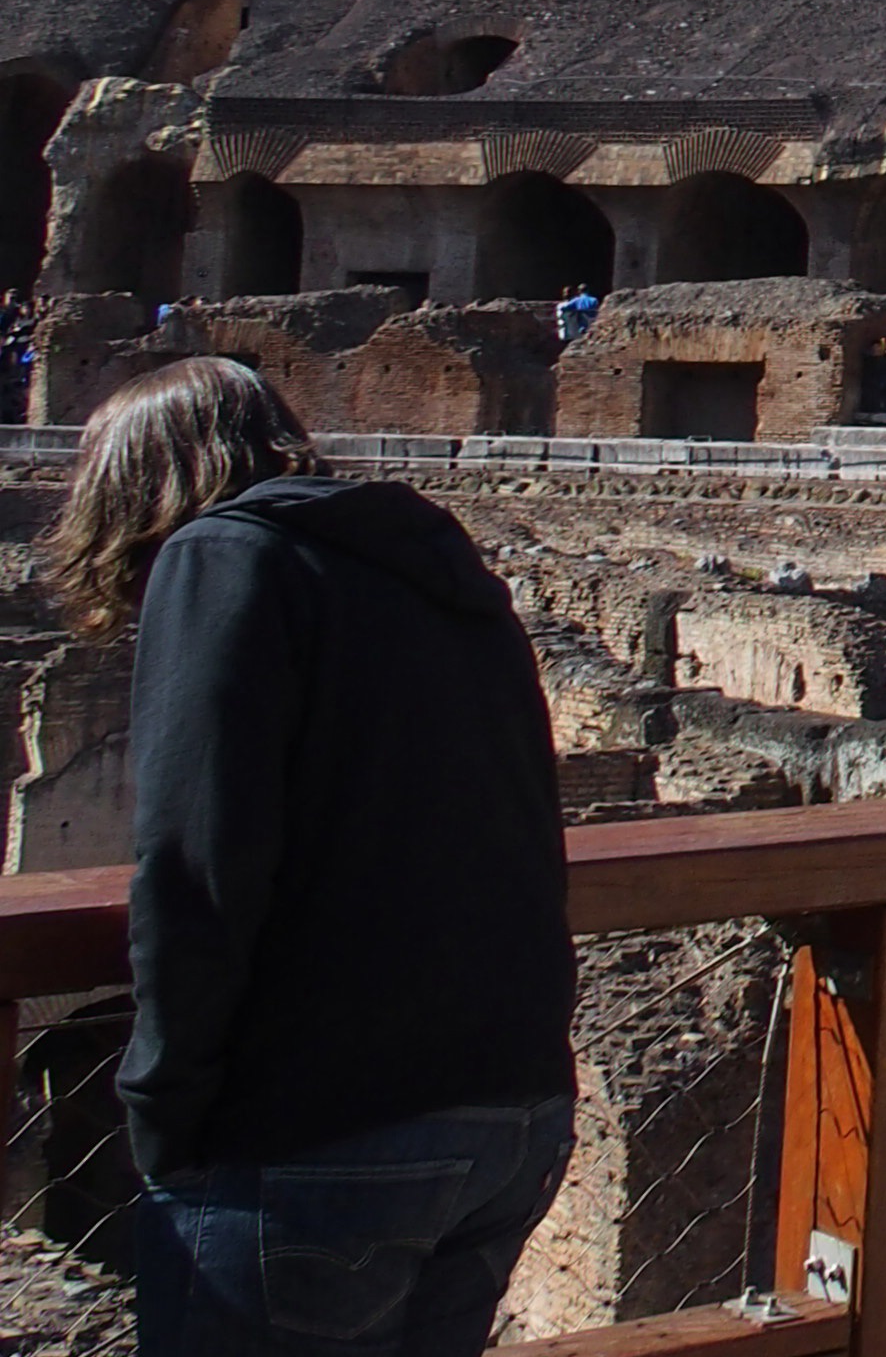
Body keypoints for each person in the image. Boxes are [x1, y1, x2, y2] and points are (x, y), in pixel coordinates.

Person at [59, 361, 576, 1357]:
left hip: (320, 1119)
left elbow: (197, 856)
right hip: (513, 1106)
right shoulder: (436, 570)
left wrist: (161, 1106)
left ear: (133, 491)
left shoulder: (219, 557)